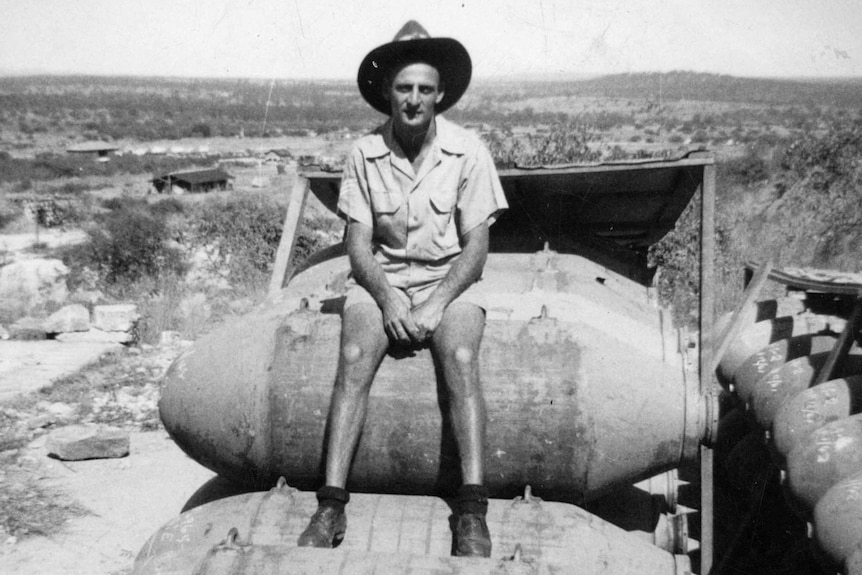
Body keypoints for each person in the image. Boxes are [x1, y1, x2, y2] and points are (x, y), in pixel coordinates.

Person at [297, 20, 508, 558]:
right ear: (388, 93)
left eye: (424, 89)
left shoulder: (468, 152)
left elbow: (476, 249)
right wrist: (389, 299)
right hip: (382, 279)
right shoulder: (364, 155)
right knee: (352, 355)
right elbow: (359, 246)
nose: (413, 100)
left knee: (460, 357)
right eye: (403, 88)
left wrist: (436, 304)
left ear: (440, 95)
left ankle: (472, 511)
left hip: (450, 282)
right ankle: (331, 503)